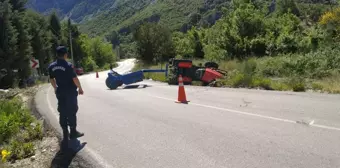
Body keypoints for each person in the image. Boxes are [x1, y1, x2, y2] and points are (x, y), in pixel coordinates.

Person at [48, 46, 84, 147]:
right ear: (65, 54)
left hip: (60, 92)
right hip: (70, 92)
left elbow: (51, 79)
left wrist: (55, 88)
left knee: (62, 111)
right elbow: (75, 78)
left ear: (56, 55)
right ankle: (73, 132)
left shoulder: (51, 66)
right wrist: (80, 88)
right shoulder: (68, 65)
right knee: (71, 111)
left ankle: (64, 132)